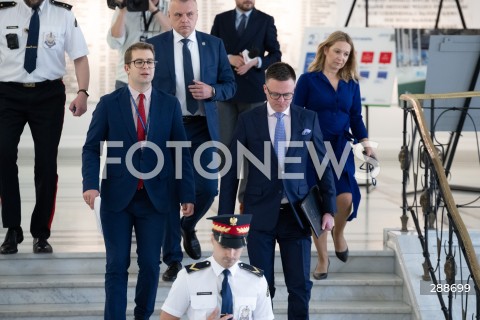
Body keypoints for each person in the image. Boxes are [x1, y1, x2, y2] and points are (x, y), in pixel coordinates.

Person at [82, 42, 195, 320]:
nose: (146, 67)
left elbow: (181, 150)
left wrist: (187, 193)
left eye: (150, 62)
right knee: (117, 264)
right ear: (127, 68)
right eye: (140, 62)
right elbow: (91, 147)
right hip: (117, 198)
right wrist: (90, 183)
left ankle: (142, 316)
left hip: (155, 198)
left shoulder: (169, 103)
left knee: (150, 264)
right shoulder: (110, 103)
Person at [218, 62, 337, 319]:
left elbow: (323, 165)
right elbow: (230, 169)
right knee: (261, 286)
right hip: (259, 215)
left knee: (300, 286)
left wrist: (329, 209)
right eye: (275, 94)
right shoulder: (248, 120)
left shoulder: (308, 118)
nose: (282, 100)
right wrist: (225, 218)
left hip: (297, 215)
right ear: (264, 89)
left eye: (287, 94)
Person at [147, 0, 236, 282]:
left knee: (208, 188)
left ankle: (188, 225)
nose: (184, 20)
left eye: (189, 15)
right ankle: (172, 259)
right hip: (168, 129)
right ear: (169, 16)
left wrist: (212, 91)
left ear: (197, 15)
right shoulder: (155, 45)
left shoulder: (214, 45)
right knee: (170, 195)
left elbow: (230, 85)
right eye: (178, 15)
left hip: (202, 127)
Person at [0, 0, 90, 255]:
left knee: (47, 163)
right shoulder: (3, 12)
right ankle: (12, 228)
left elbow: (80, 57)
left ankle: (41, 233)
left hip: (48, 94)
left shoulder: (62, 15)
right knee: (3, 154)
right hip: (7, 93)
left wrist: (82, 92)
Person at [292, 31, 375, 279]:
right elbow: (297, 112)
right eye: (337, 51)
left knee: (345, 198)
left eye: (346, 53)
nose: (341, 57)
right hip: (313, 147)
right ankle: (323, 258)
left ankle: (339, 233)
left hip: (341, 147)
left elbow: (355, 117)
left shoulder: (352, 83)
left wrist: (366, 143)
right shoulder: (308, 80)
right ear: (326, 50)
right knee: (317, 202)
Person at [210, 0, 282, 207]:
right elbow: (212, 51)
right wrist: (228, 58)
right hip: (226, 93)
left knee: (253, 149)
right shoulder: (221, 20)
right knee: (226, 150)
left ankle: (246, 200)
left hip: (254, 94)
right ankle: (225, 202)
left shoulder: (265, 20)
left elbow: (276, 54)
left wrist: (256, 62)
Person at [159, 214, 274, 320]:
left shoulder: (257, 280)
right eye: (225, 247)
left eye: (237, 248)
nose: (231, 255)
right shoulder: (188, 277)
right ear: (213, 240)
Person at [107, 0, 171, 89]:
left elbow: (174, 34)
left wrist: (153, 9)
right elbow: (114, 43)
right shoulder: (127, 5)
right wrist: (122, 11)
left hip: (159, 79)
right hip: (126, 78)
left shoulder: (170, 6)